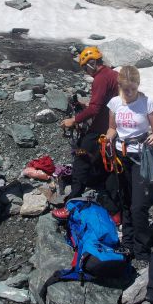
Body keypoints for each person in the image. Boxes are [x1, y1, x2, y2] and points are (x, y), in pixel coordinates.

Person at [52, 46, 119, 219]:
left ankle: (72, 203)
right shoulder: (113, 75)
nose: (86, 72)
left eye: (85, 67)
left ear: (92, 63)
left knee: (81, 160)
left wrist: (74, 120)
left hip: (99, 130)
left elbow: (96, 108)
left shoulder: (101, 79)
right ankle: (115, 209)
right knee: (109, 166)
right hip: (112, 129)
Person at [105, 65, 153, 264]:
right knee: (126, 201)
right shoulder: (114, 104)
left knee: (139, 205)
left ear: (138, 85)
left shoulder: (147, 104)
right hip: (121, 156)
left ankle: (142, 248)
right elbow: (112, 128)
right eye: (125, 89)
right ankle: (128, 243)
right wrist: (107, 140)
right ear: (120, 86)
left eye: (133, 88)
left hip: (141, 156)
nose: (129, 93)